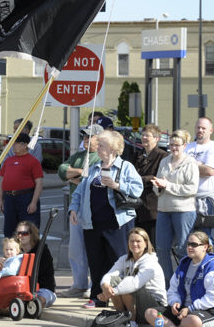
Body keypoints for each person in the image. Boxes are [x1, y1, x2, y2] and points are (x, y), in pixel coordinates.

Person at [68, 130, 143, 308]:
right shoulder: (93, 167)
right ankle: (97, 297)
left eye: (101, 145)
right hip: (92, 222)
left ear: (112, 148)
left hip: (117, 223)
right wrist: (73, 208)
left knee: (119, 260)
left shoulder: (125, 167)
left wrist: (117, 185)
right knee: (96, 261)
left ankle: (123, 298)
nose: (97, 147)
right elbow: (79, 191)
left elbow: (137, 189)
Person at [144, 231, 214, 327]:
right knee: (150, 313)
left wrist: (190, 309)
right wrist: (175, 302)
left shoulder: (213, 267)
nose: (189, 247)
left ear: (205, 247)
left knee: (192, 321)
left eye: (194, 245)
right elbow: (173, 289)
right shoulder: (184, 264)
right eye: (188, 244)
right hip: (184, 310)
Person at [56, 123, 103, 298]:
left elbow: (92, 179)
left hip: (93, 209)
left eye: (90, 136)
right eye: (84, 136)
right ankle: (79, 285)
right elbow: (61, 170)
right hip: (76, 209)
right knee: (76, 249)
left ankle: (94, 286)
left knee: (93, 249)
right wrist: (79, 172)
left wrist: (76, 177)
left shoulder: (101, 157)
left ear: (100, 138)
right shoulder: (78, 156)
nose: (86, 139)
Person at [152, 130, 199, 285]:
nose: (173, 148)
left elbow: (191, 189)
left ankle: (185, 281)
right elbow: (157, 187)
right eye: (171, 145)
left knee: (183, 248)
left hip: (183, 211)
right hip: (164, 209)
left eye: (177, 145)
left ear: (185, 145)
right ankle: (167, 283)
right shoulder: (164, 161)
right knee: (161, 248)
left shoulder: (190, 163)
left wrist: (168, 185)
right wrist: (158, 186)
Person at [98, 227, 167, 327]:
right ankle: (122, 318)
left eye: (138, 241)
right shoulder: (124, 259)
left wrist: (110, 293)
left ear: (146, 243)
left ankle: (132, 322)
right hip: (135, 305)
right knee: (113, 280)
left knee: (128, 284)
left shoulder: (150, 262)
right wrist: (105, 286)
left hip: (155, 308)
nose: (134, 244)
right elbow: (109, 274)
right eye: (132, 241)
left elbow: (135, 284)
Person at [184, 117, 214, 250]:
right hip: (189, 200)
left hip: (209, 201)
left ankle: (209, 268)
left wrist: (189, 166)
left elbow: (209, 171)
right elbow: (178, 170)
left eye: (204, 128)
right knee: (191, 241)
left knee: (209, 242)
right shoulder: (187, 147)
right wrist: (198, 165)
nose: (200, 130)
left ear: (211, 130)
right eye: (198, 127)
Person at [0, 132, 44, 236]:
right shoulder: (8, 161)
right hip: (9, 198)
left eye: (16, 143)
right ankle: (12, 252)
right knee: (9, 231)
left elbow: (39, 183)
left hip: (26, 198)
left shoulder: (33, 161)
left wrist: (33, 202)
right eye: (12, 142)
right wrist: (1, 200)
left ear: (25, 145)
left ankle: (30, 252)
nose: (13, 145)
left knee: (28, 231)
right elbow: (3, 181)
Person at [133, 124, 168, 245]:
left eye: (147, 135)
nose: (143, 137)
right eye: (142, 135)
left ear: (156, 138)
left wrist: (138, 179)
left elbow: (158, 178)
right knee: (138, 243)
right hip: (137, 207)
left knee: (152, 244)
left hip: (152, 208)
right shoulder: (137, 155)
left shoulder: (163, 156)